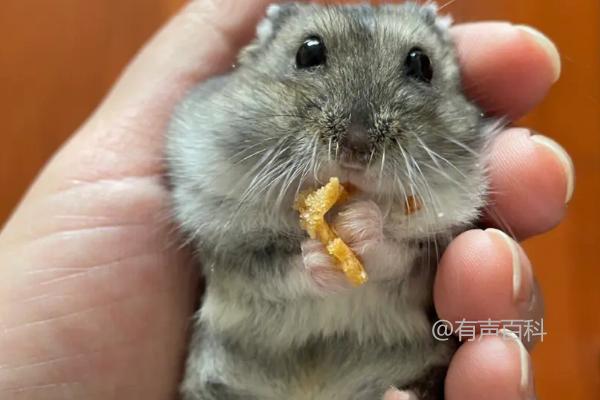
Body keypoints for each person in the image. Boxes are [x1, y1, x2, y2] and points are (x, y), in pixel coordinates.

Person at [0, 1, 574, 399]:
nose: (358, 132)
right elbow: (235, 270)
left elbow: (428, 269)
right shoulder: (224, 177)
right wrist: (301, 267)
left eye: (416, 68)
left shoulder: (442, 189)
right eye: (311, 56)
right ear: (254, 62)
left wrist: (391, 253)